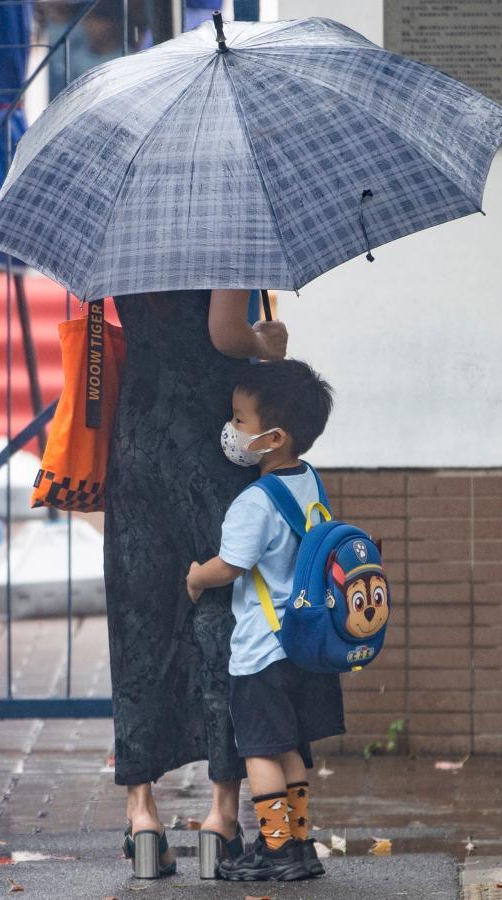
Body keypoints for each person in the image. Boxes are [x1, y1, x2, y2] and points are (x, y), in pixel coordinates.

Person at [103, 289, 288, 878]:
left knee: (139, 615)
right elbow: (224, 332)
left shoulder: (129, 224)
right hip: (211, 437)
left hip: (135, 434)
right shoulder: (221, 213)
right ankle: (220, 818)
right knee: (221, 612)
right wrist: (267, 342)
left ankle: (142, 816)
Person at [186, 359, 346, 881]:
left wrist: (195, 577)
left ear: (273, 438)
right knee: (290, 747)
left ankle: (274, 850)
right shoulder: (309, 482)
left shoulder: (255, 501)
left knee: (258, 749)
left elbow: (230, 564)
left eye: (239, 420)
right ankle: (299, 845)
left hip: (261, 649)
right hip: (303, 645)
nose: (230, 431)